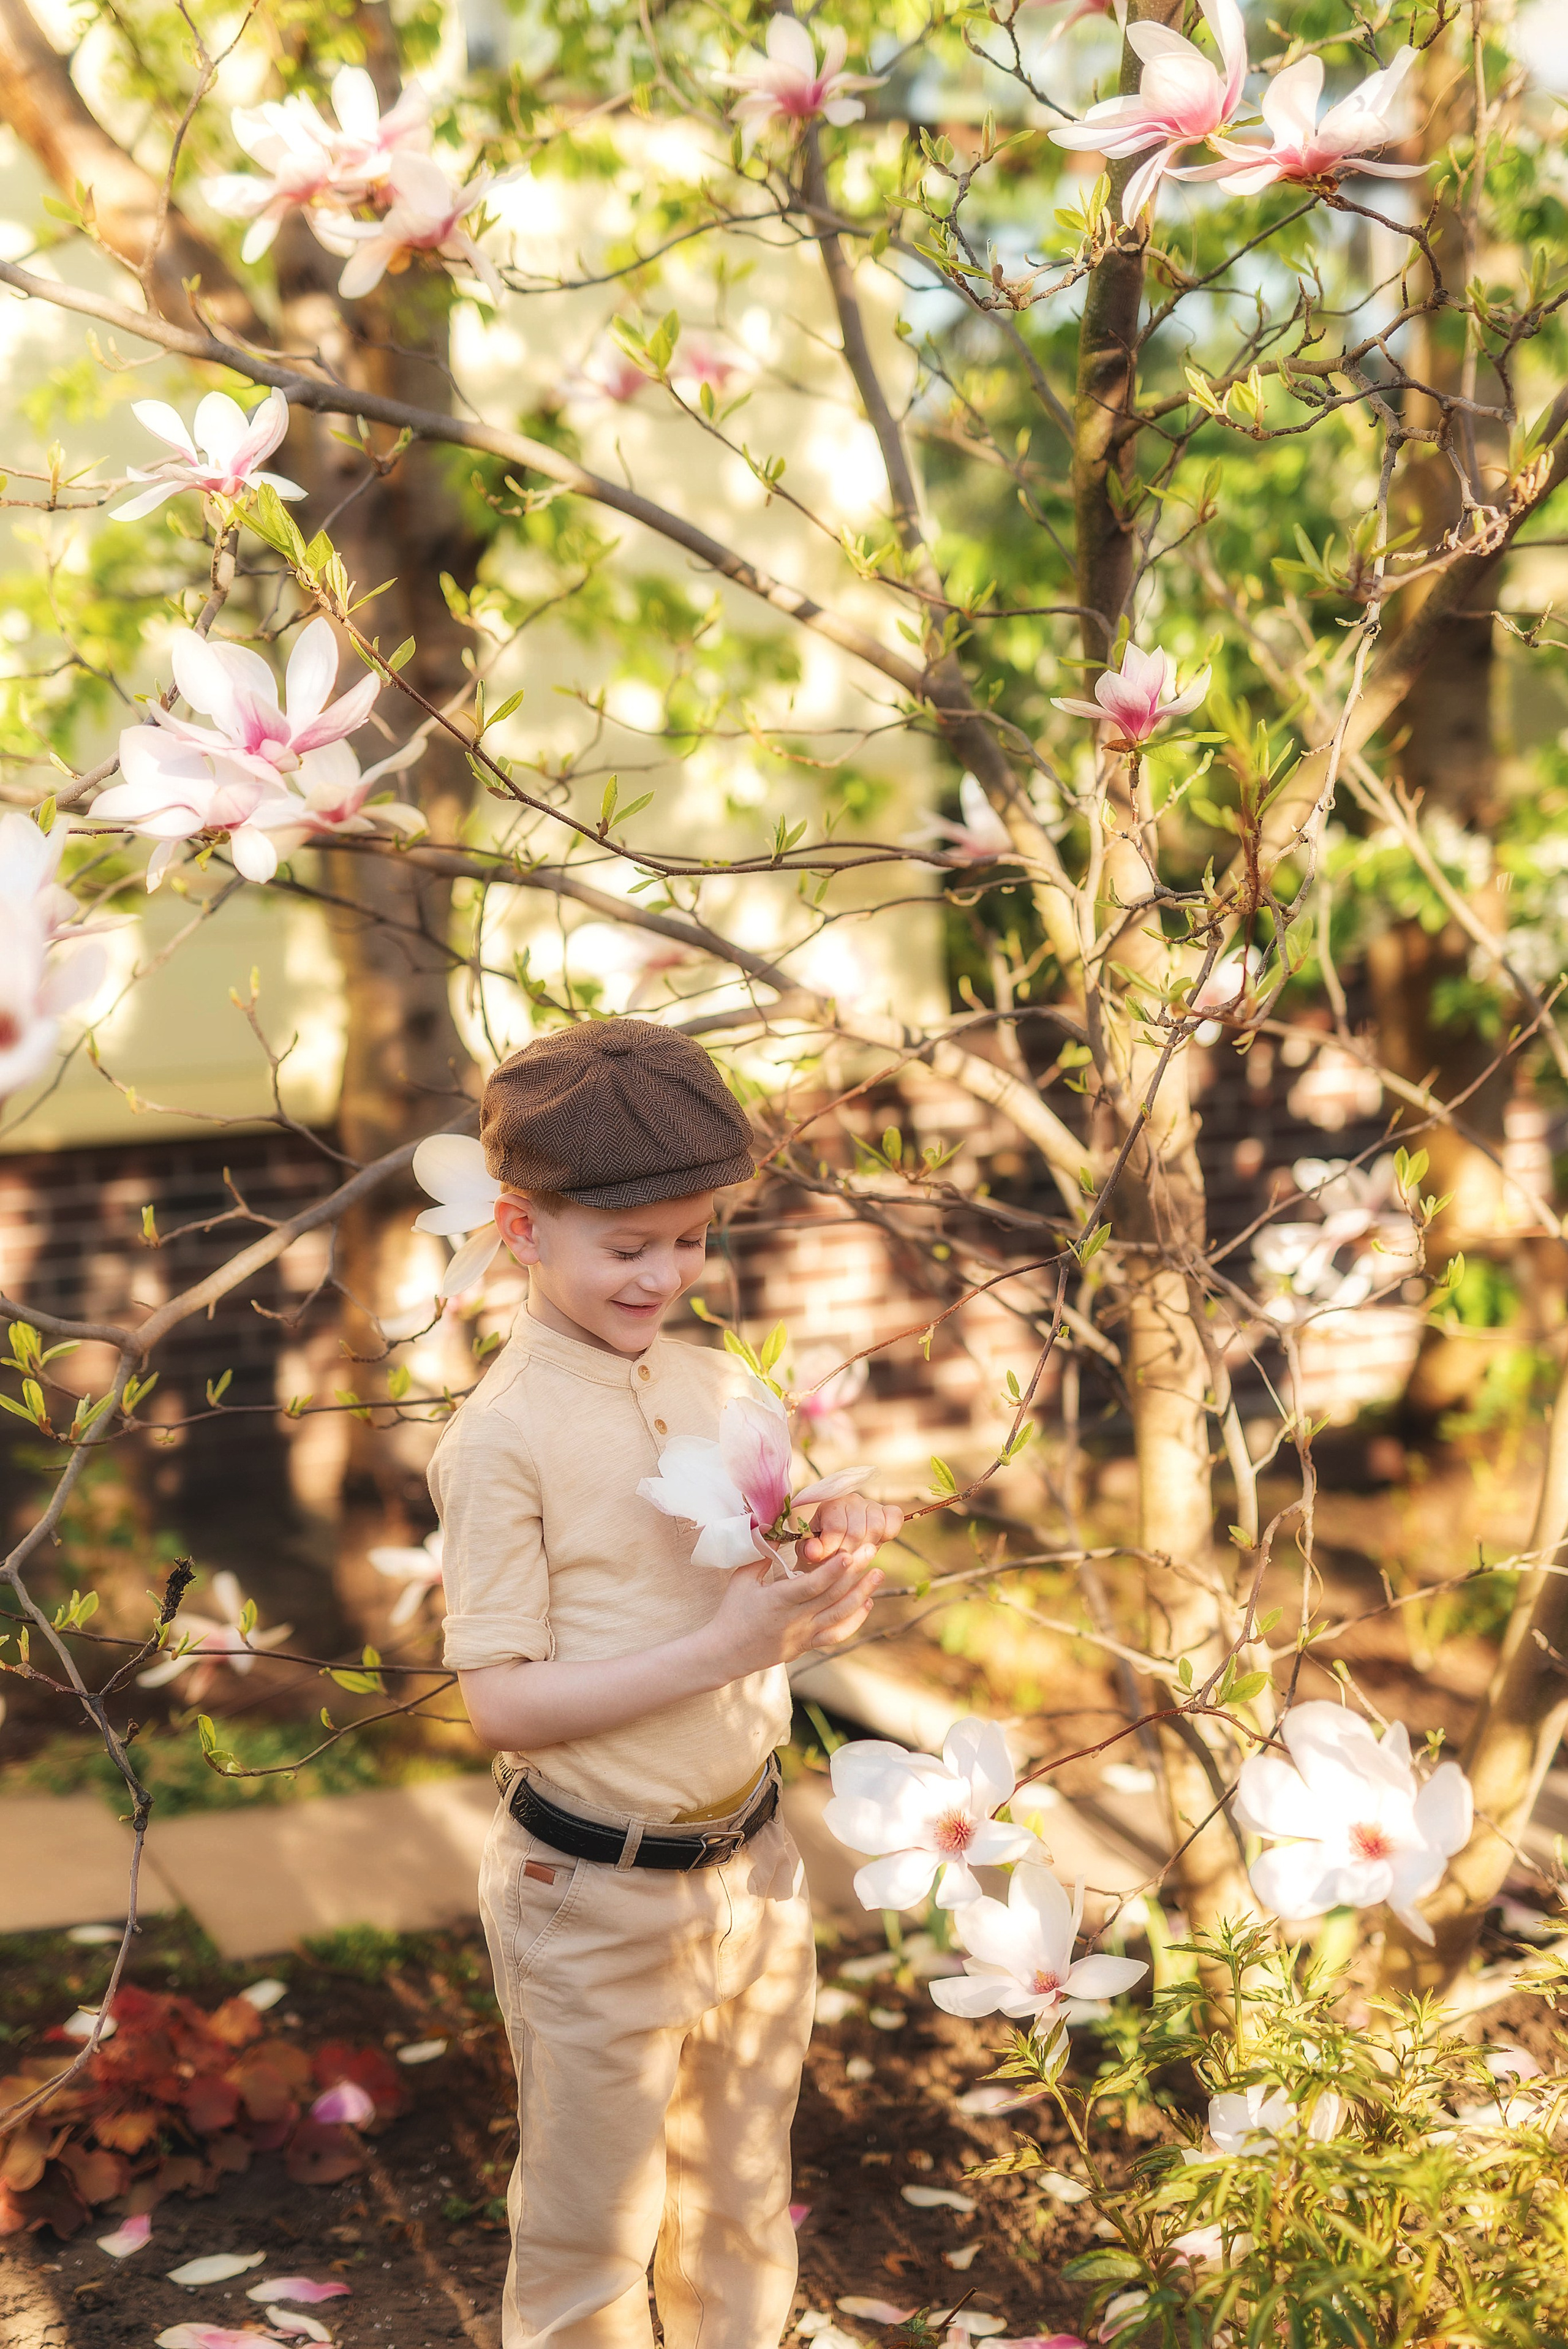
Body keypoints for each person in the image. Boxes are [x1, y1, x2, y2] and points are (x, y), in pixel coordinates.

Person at [431, 1018, 902, 2349]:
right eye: (625, 1246)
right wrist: (721, 1652)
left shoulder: (710, 1379)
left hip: (750, 1872)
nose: (662, 1275)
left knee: (745, 2197)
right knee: (592, 2234)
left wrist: (832, 1515)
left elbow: (761, 1525)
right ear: (523, 1230)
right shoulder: (500, 1439)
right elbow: (501, 1708)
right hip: (589, 1897)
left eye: (689, 1240)